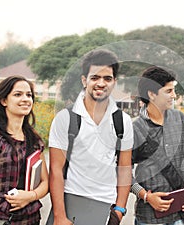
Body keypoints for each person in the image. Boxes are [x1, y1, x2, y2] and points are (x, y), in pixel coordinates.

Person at [47, 49, 133, 225]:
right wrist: (59, 216)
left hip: (106, 206)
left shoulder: (123, 121)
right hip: (71, 201)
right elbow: (56, 170)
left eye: (107, 78)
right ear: (84, 80)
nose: (101, 83)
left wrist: (119, 210)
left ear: (114, 82)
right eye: (95, 77)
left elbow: (124, 168)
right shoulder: (65, 118)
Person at [131, 66, 184, 225]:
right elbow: (123, 171)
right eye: (168, 91)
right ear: (152, 94)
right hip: (149, 217)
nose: (174, 96)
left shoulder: (180, 119)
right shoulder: (135, 129)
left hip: (182, 215)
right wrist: (146, 196)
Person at [0, 75, 49, 225]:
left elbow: (45, 182)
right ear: (4, 100)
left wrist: (31, 196)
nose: (25, 99)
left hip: (31, 219)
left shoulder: (34, 140)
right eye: (18, 94)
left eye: (29, 95)